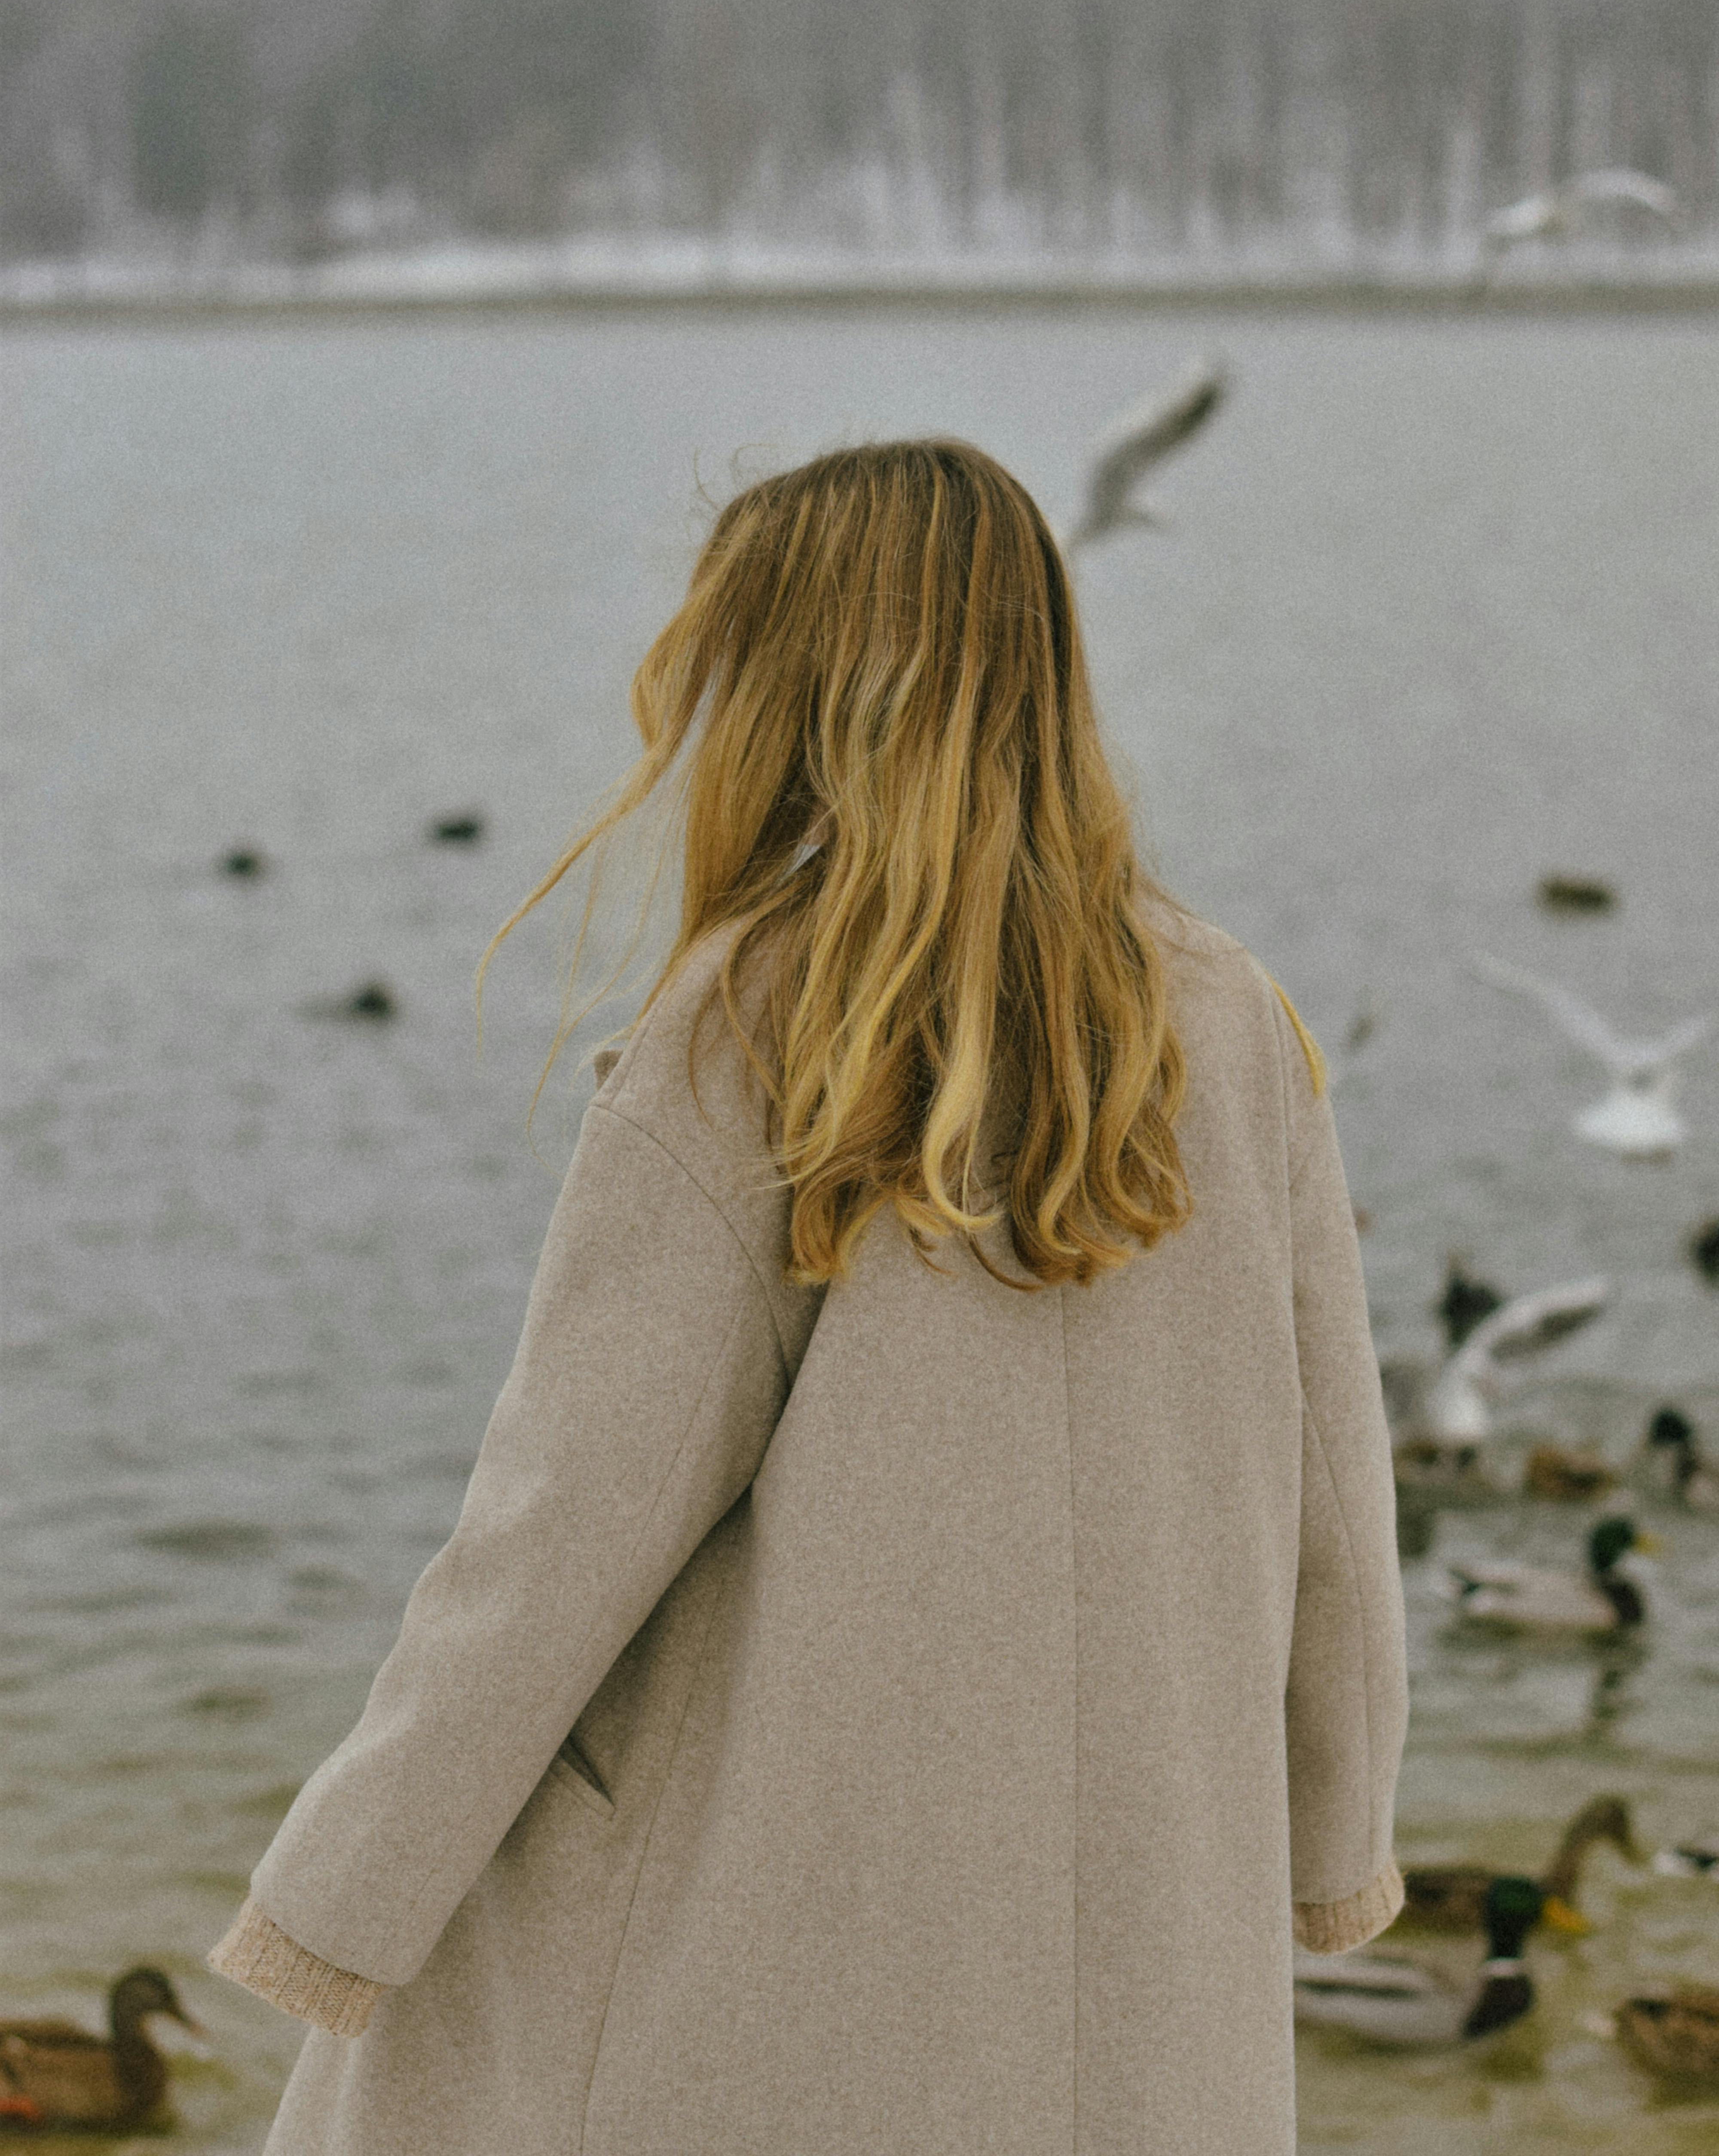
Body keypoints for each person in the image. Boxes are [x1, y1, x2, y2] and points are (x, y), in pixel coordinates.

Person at [209, 438, 1407, 2155]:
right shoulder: (1222, 1018)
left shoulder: (759, 1020)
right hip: (1145, 1937)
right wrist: (1327, 1841)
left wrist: (339, 1899)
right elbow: (1339, 1516)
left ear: (799, 688)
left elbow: (563, 1528)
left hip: (783, 1931)